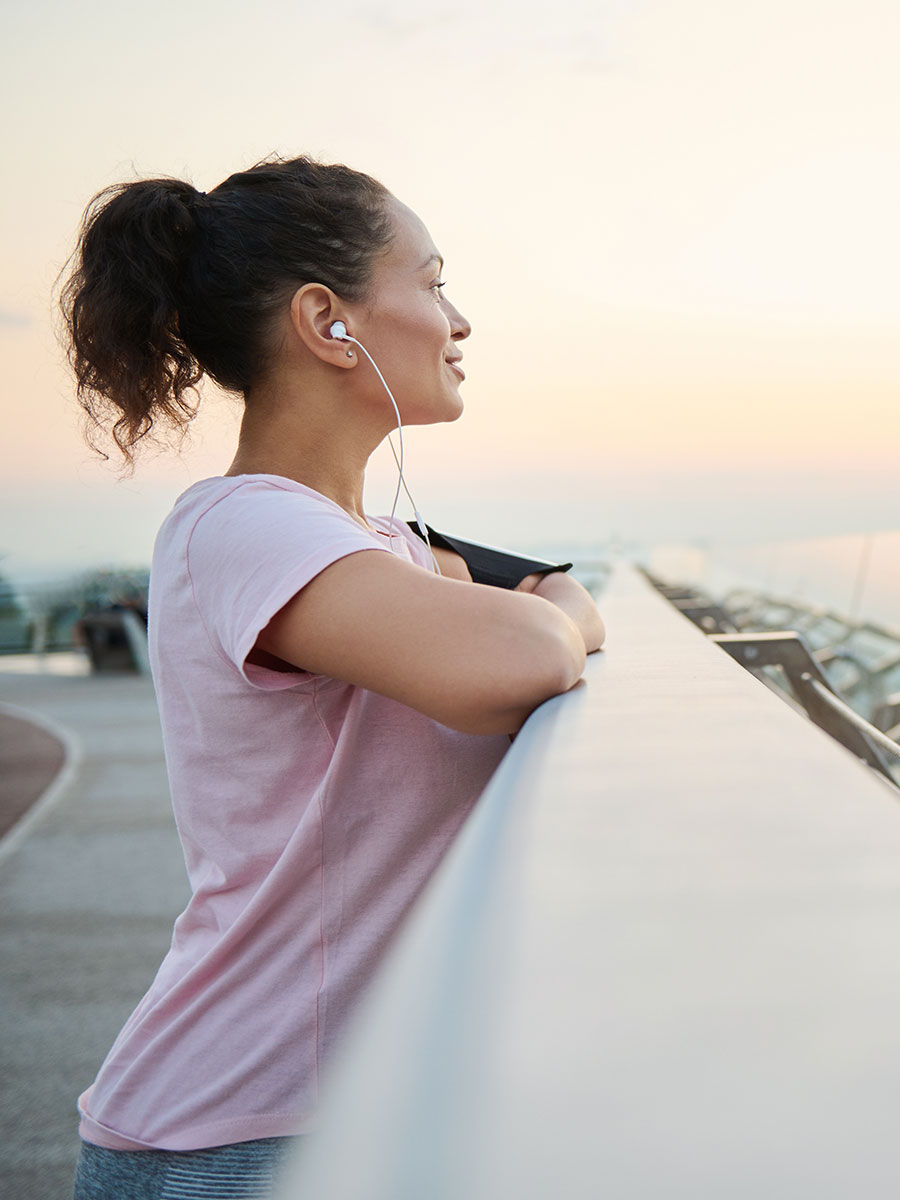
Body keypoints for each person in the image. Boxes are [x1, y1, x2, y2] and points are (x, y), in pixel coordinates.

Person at [60, 155, 606, 1199]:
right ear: (328, 321)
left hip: (341, 1109)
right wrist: (560, 612)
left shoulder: (379, 542)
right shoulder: (244, 524)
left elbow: (534, 596)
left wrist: (552, 604)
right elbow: (531, 647)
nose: (460, 319)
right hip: (235, 1137)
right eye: (433, 280)